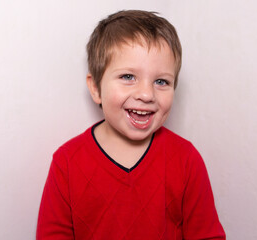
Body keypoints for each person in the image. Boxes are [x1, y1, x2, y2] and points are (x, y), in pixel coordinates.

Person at [37, 10, 226, 240]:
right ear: (96, 87)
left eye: (161, 81)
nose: (146, 94)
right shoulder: (66, 163)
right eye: (128, 77)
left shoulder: (187, 160)